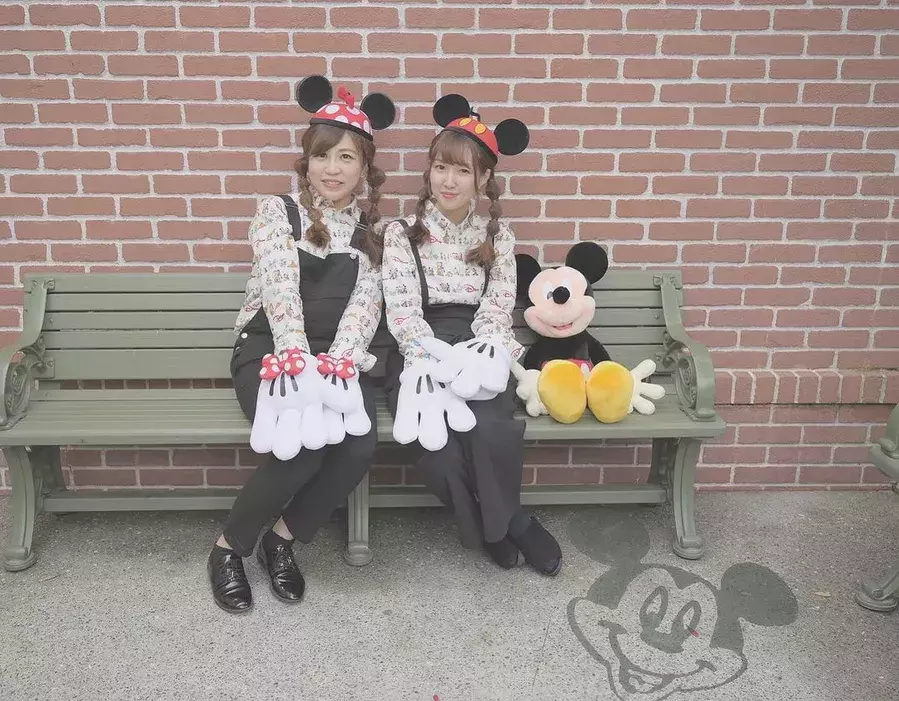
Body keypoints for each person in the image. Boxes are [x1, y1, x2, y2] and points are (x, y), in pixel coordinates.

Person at [208, 75, 395, 613]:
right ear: (306, 161)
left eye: (346, 158)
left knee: (358, 444)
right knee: (302, 441)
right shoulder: (277, 213)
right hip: (272, 350)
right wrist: (297, 363)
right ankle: (228, 548)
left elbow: (366, 305)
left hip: (335, 358)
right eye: (321, 155)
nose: (331, 169)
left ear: (364, 168)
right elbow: (279, 286)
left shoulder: (374, 231)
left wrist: (336, 363)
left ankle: (282, 539)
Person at [381, 94, 563, 576]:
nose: (448, 181)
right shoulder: (401, 233)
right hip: (419, 351)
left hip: (477, 344)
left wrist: (480, 353)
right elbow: (402, 310)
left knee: (488, 427)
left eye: (462, 171)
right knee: (436, 446)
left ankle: (508, 523)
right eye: (441, 167)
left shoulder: (497, 236)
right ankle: (497, 525)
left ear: (483, 179)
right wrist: (431, 359)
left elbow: (498, 305)